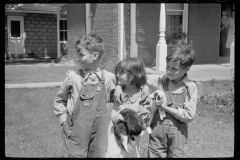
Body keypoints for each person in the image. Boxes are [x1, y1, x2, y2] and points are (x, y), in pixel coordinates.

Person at [115, 45, 198, 158]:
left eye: (174, 68)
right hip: (157, 132)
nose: (169, 71)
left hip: (178, 135)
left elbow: (189, 115)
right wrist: (120, 86)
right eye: (167, 66)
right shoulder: (159, 80)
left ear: (187, 68)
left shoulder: (190, 87)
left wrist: (164, 108)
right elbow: (139, 77)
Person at [54, 32, 116, 158]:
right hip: (76, 134)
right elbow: (60, 100)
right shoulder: (73, 77)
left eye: (81, 55)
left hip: (99, 136)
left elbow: (119, 99)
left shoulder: (109, 78)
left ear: (94, 55)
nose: (78, 58)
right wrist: (63, 121)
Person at [105, 57, 150, 158]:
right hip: (114, 138)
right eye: (117, 72)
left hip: (132, 141)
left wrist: (121, 118)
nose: (117, 75)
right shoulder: (117, 92)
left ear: (132, 75)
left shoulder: (142, 95)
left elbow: (143, 121)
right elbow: (104, 75)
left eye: (121, 72)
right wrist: (117, 86)